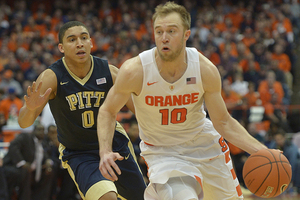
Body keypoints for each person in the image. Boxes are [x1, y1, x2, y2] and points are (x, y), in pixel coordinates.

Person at [98, 2, 269, 200]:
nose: (164, 37)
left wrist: (262, 152)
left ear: (186, 34)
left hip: (204, 146)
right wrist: (105, 151)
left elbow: (223, 122)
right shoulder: (135, 71)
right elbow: (107, 111)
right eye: (159, 31)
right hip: (163, 152)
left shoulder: (204, 69)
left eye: (172, 31)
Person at [17, 21, 146, 200]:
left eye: (84, 38)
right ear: (61, 47)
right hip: (79, 152)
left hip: (114, 145)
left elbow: (143, 112)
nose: (79, 43)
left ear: (91, 43)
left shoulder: (110, 72)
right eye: (72, 39)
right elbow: (24, 122)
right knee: (106, 197)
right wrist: (30, 109)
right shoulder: (51, 77)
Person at [2, 124, 54, 200]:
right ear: (33, 131)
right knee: (26, 172)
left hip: (33, 170)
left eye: (43, 130)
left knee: (49, 172)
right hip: (12, 166)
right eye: (39, 130)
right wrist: (22, 163)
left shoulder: (43, 143)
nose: (41, 132)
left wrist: (48, 161)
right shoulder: (25, 137)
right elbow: (13, 146)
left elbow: (47, 156)